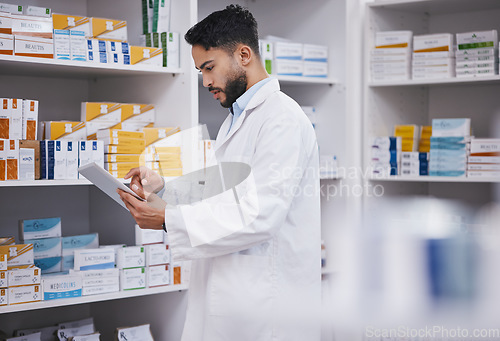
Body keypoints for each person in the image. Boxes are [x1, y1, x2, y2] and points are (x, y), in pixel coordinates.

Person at [117, 4, 321, 340]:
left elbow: (261, 213)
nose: (206, 81)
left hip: (266, 308)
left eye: (209, 68)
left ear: (243, 55)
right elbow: (226, 193)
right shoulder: (238, 118)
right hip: (233, 294)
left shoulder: (281, 118)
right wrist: (164, 190)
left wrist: (168, 219)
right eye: (200, 71)